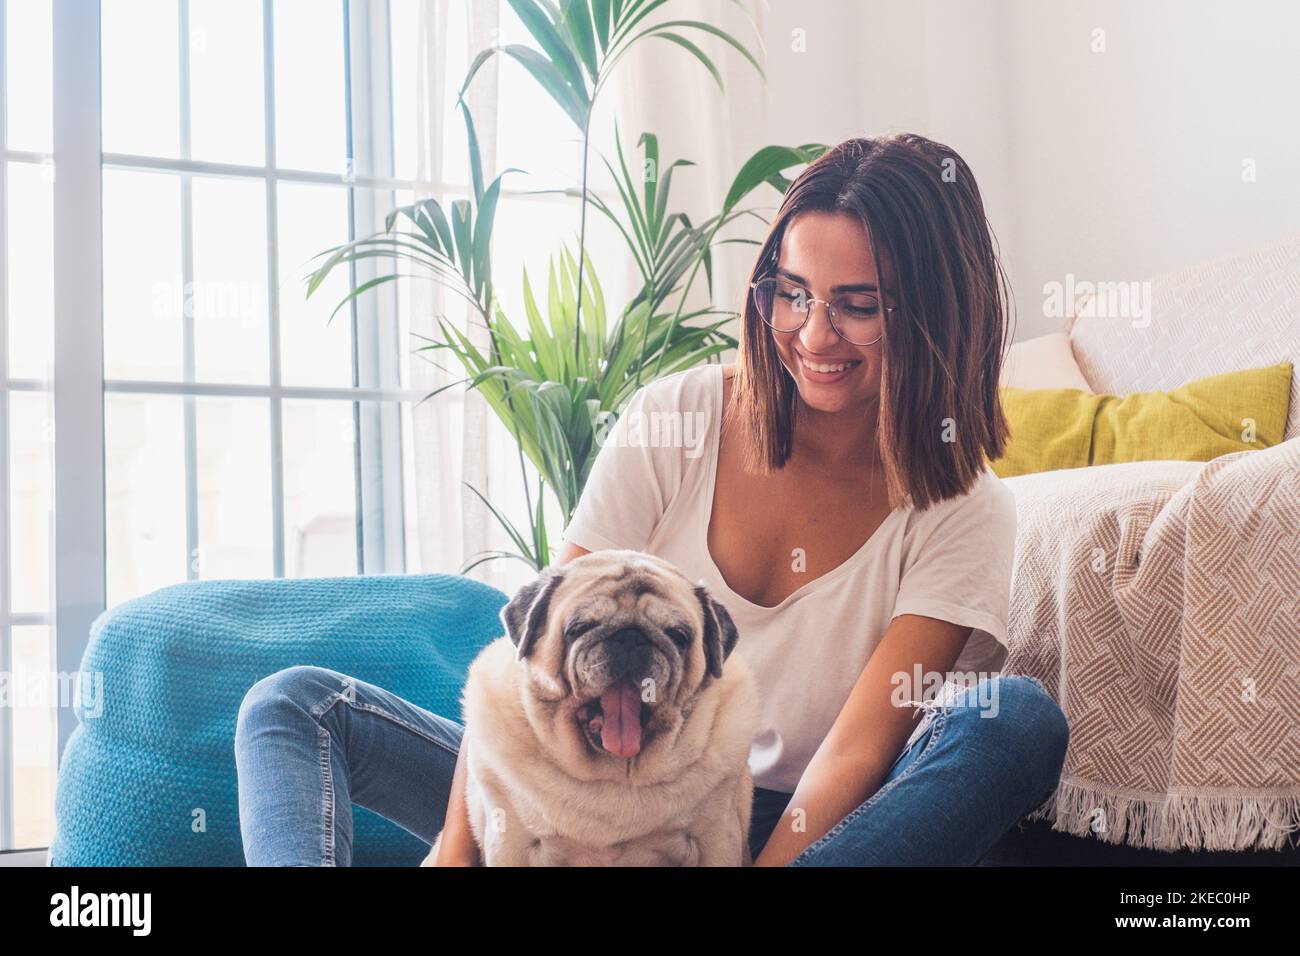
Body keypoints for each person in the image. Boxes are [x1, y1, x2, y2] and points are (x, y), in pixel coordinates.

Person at [235, 133, 1069, 867]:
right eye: (793, 293)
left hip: (785, 828)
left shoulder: (965, 509)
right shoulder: (684, 415)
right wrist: (459, 852)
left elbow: (853, 757)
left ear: (934, 317)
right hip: (574, 794)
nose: (814, 335)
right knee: (293, 704)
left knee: (1017, 722)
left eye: (858, 307)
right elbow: (539, 649)